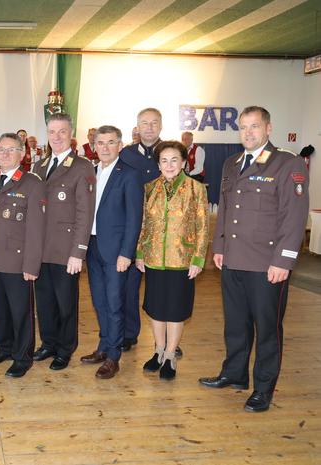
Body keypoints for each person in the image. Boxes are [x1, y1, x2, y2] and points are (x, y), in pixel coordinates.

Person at [199, 106, 309, 412]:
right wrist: (218, 246)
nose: (248, 132)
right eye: (243, 127)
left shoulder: (287, 163)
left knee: (267, 329)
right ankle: (234, 374)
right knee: (235, 324)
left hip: (266, 264)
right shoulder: (232, 163)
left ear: (268, 129)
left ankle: (263, 388)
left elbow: (294, 217)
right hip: (233, 260)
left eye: (255, 126)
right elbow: (225, 209)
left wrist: (283, 261)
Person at [135, 141, 208, 380]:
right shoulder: (150, 188)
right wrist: (139, 253)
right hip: (154, 257)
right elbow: (144, 223)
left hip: (182, 259)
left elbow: (202, 226)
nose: (169, 165)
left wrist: (198, 258)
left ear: (184, 162)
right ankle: (157, 351)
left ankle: (170, 356)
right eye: (164, 160)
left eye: (174, 159)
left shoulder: (196, 189)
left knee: (175, 310)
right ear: (158, 164)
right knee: (156, 309)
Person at [32, 113, 95, 370]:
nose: (56, 137)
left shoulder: (82, 166)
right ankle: (48, 342)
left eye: (62, 131)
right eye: (52, 132)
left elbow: (85, 213)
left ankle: (65, 348)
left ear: (71, 134)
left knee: (66, 302)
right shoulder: (39, 166)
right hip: (41, 249)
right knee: (44, 301)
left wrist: (77, 252)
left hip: (65, 249)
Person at [80, 125, 143, 379]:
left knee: (115, 304)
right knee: (99, 302)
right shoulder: (90, 173)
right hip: (92, 247)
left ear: (120, 145)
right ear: (94, 146)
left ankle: (114, 357)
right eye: (100, 143)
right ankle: (104, 346)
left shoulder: (129, 174)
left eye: (110, 142)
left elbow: (134, 218)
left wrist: (127, 253)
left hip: (116, 251)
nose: (105, 147)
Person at [0, 133, 45, 378]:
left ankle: (22, 356)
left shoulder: (32, 183)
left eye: (11, 150)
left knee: (20, 311)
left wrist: (31, 264)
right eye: (1, 150)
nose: (5, 154)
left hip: (18, 262)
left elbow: (36, 229)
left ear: (22, 154)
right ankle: (5, 348)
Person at [119, 108, 163, 354]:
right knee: (129, 286)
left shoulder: (171, 152)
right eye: (144, 123)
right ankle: (129, 333)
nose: (149, 127)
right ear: (137, 127)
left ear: (161, 126)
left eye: (153, 123)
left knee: (161, 288)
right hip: (133, 231)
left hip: (162, 232)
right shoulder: (125, 154)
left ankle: (165, 340)